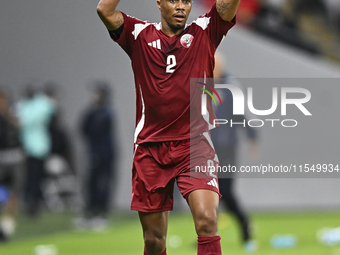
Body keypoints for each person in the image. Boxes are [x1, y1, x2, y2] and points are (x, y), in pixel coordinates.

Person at [96, 0, 241, 254]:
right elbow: (104, 10)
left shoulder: (205, 31)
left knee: (207, 220)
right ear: (159, 3)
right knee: (154, 240)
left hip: (194, 145)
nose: (181, 7)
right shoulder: (137, 34)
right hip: (150, 149)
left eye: (186, 1)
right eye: (173, 0)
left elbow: (227, 5)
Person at [211, 53, 258, 252]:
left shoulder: (230, 86)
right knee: (210, 193)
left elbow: (241, 114)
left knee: (226, 192)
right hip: (209, 147)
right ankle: (207, 238)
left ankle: (246, 228)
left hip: (228, 146)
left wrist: (251, 137)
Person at [77, 81, 116, 230]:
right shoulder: (92, 111)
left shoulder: (106, 112)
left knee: (103, 184)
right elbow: (82, 128)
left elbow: (96, 130)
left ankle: (101, 213)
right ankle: (90, 212)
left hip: (104, 154)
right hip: (93, 153)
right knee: (91, 184)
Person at [17, 84, 55, 217]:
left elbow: (25, 121)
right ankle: (30, 202)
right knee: (29, 178)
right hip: (27, 148)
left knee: (37, 177)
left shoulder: (41, 104)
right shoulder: (24, 105)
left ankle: (36, 204)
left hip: (40, 148)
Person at [0, 90, 25, 240]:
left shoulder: (12, 116)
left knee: (14, 194)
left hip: (16, 160)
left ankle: (7, 228)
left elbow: (19, 132)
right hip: (1, 160)